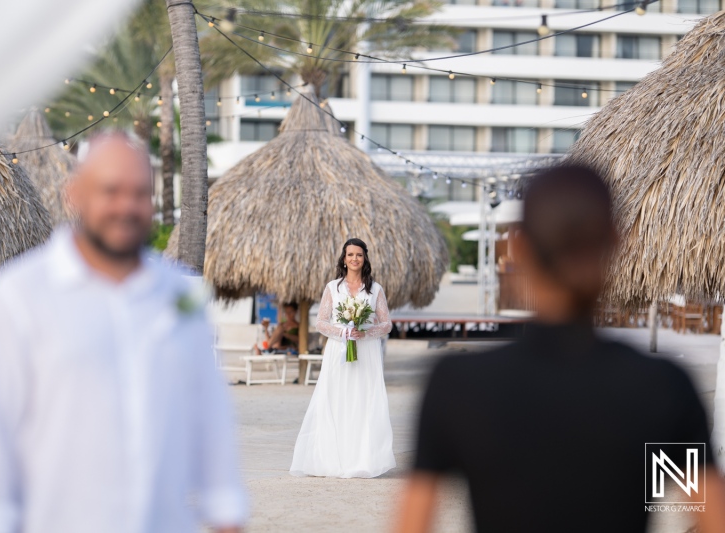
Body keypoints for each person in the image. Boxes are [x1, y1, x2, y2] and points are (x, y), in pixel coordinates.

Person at [396, 164, 725, 533]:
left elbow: (412, 525)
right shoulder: (665, 387)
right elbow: (712, 520)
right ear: (614, 243)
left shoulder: (458, 385)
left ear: (517, 247)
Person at [0, 132, 247, 533]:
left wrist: (225, 509)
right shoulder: (20, 294)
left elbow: (210, 415)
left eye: (140, 193)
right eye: (111, 191)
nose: (127, 205)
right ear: (75, 195)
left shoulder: (182, 295)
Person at [290, 238, 396, 478]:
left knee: (363, 400)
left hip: (367, 351)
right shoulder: (332, 288)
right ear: (344, 258)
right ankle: (332, 458)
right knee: (337, 399)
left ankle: (362, 459)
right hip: (338, 351)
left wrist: (365, 332)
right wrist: (344, 332)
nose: (354, 259)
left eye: (359, 255)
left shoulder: (375, 289)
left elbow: (387, 323)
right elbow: (321, 322)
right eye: (350, 255)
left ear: (365, 258)